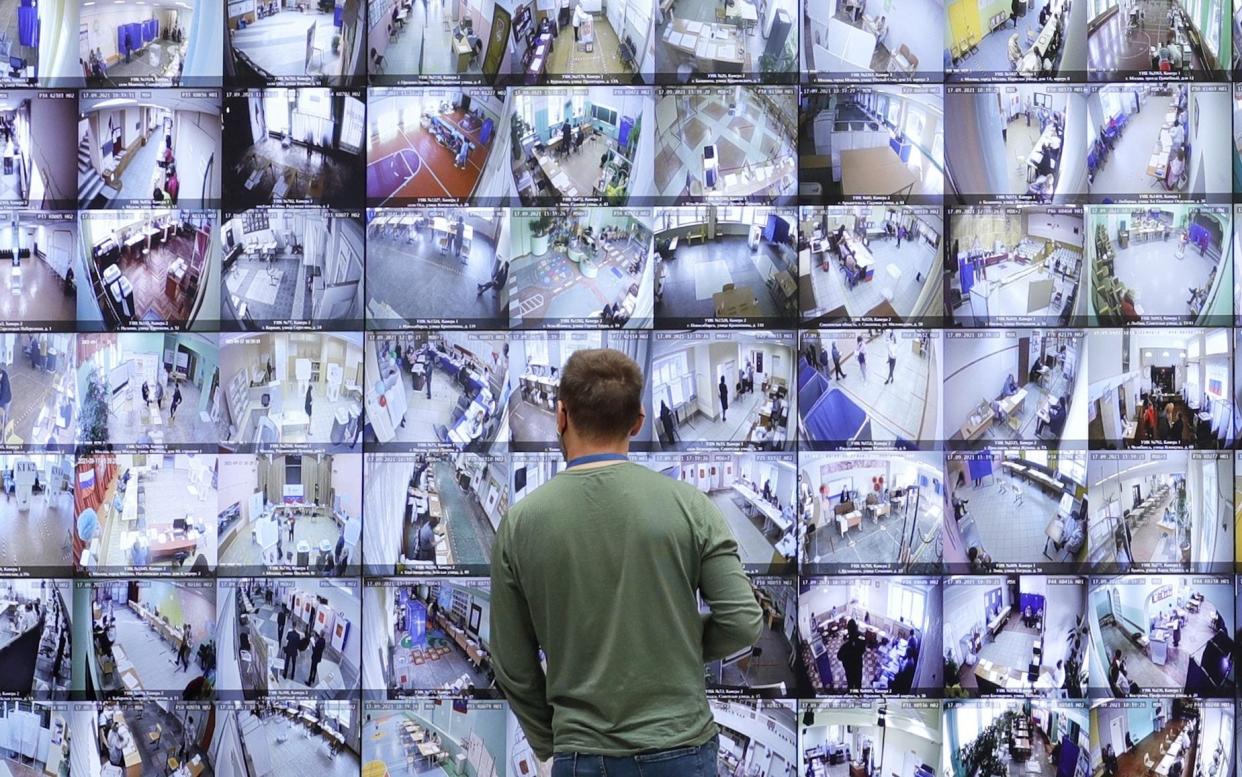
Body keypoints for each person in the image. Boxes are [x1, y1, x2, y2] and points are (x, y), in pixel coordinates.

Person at [490, 348, 761, 770]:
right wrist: (677, 647)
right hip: (684, 749)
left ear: (561, 416)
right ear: (637, 421)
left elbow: (511, 664)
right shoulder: (692, 506)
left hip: (582, 754)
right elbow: (744, 620)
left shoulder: (519, 524)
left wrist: (552, 742)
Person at [836, 619, 867, 690]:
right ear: (856, 627)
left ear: (848, 629)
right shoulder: (862, 637)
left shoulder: (846, 642)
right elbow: (863, 650)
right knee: (858, 683)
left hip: (849, 668)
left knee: (850, 684)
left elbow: (839, 656)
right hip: (858, 666)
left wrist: (846, 657)